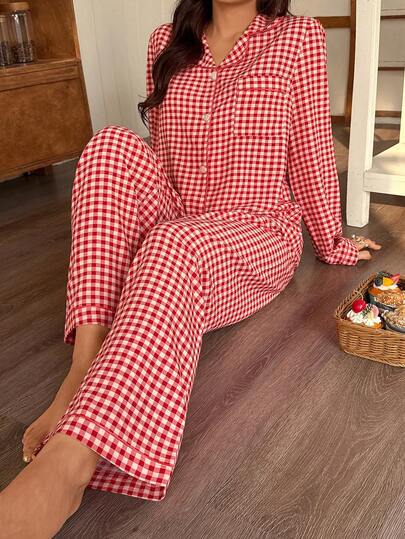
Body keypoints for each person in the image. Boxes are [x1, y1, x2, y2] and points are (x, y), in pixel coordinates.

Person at [0, 0, 382, 535]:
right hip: (180, 215)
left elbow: (311, 151)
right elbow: (161, 154)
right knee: (108, 146)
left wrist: (332, 240)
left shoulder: (298, 39)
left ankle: (72, 461)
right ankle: (83, 369)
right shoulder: (166, 41)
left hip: (255, 231)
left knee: (173, 244)